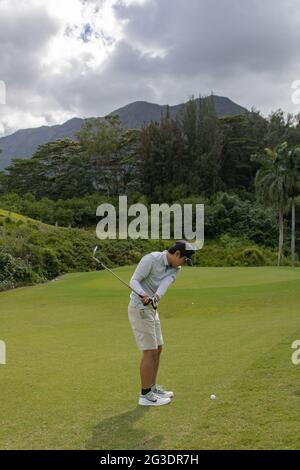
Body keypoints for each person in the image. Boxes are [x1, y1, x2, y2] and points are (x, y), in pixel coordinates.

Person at [128, 240, 195, 406]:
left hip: (151, 308)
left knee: (158, 348)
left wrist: (155, 298)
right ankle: (145, 395)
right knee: (149, 351)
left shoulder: (176, 269)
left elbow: (164, 285)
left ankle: (152, 387)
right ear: (177, 254)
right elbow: (134, 281)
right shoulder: (151, 259)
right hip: (139, 308)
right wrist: (142, 293)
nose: (184, 264)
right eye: (184, 260)